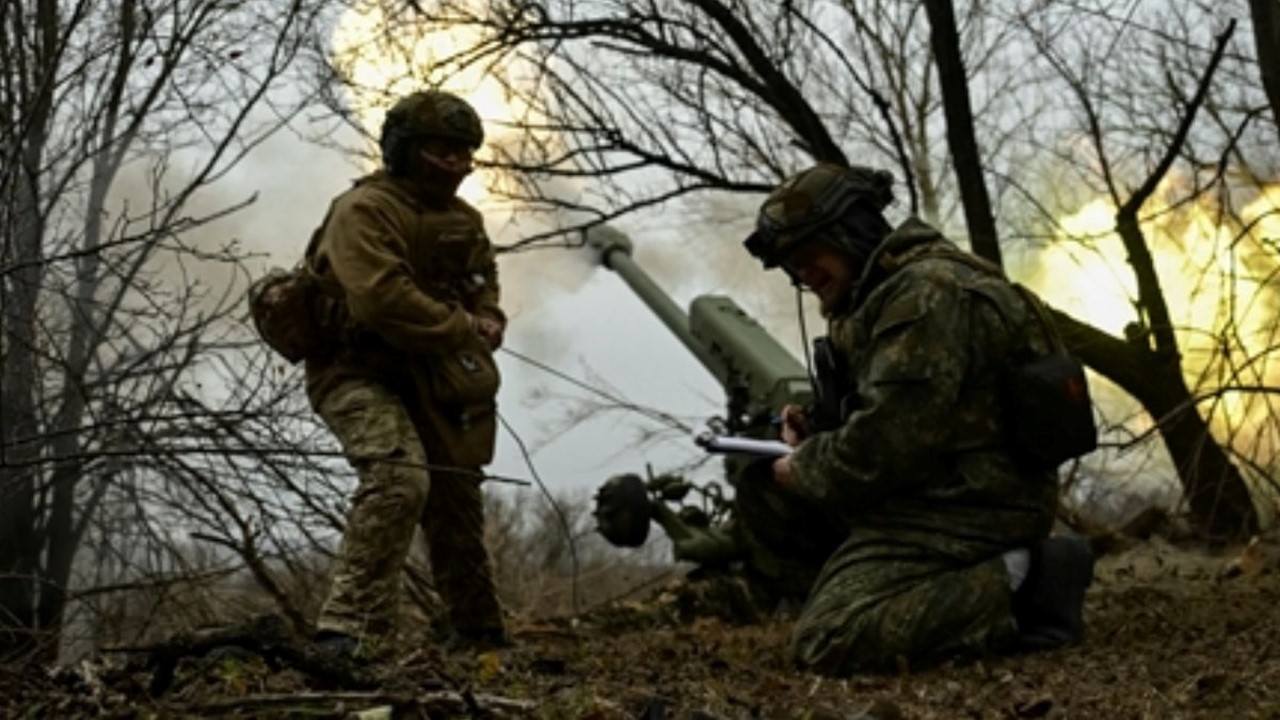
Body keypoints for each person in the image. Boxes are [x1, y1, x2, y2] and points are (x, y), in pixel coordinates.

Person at [739, 162, 1096, 675]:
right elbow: (904, 416)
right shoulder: (882, 293)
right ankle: (870, 590)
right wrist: (813, 434)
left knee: (828, 639)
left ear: (850, 233)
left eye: (808, 255)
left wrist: (808, 464)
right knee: (765, 491)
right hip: (935, 487)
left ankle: (1024, 580)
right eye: (792, 264)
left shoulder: (926, 294)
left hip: (973, 508)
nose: (802, 274)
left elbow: (885, 445)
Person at [302, 89, 509, 658]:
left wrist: (489, 314)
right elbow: (381, 298)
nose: (456, 165)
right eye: (442, 151)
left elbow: (483, 275)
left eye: (463, 153)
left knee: (456, 490)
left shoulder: (462, 220)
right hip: (354, 372)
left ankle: (477, 632)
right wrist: (465, 326)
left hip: (432, 374)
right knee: (398, 478)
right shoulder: (365, 210)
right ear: (407, 150)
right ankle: (348, 635)